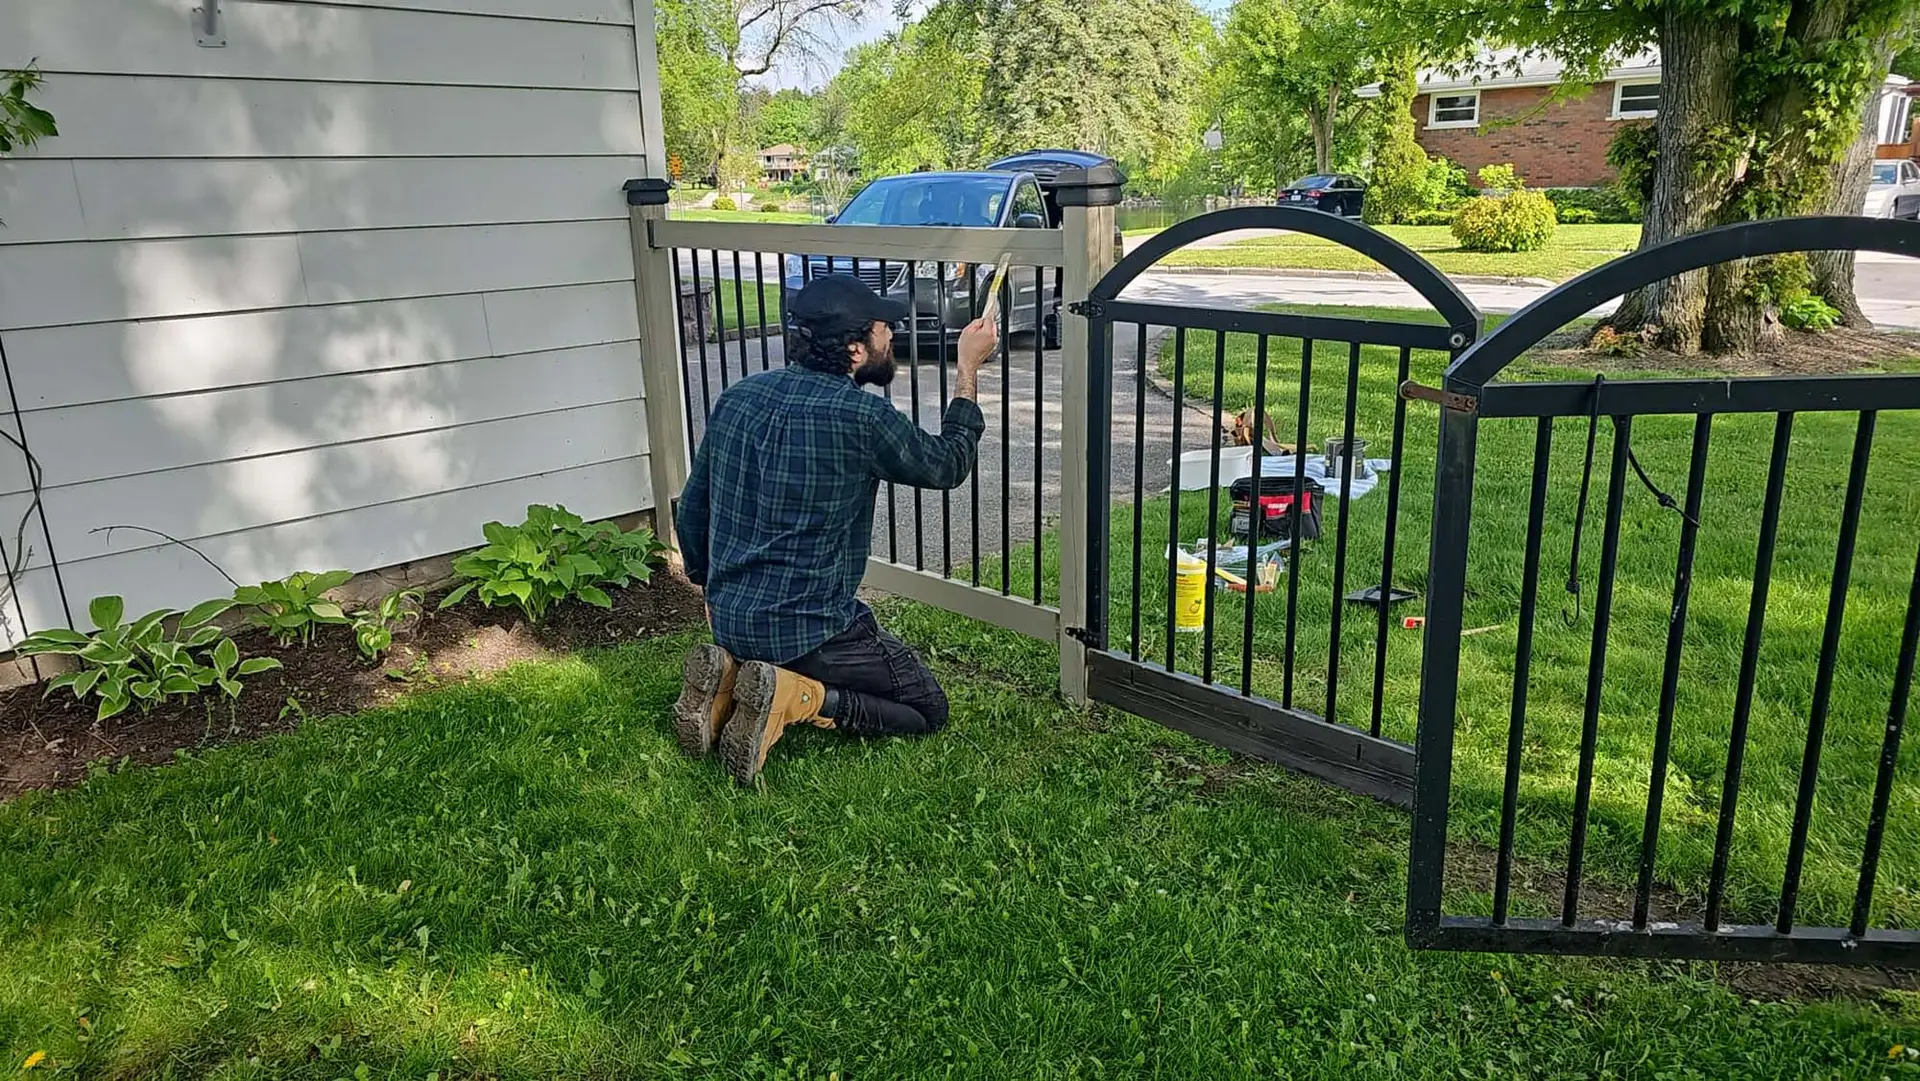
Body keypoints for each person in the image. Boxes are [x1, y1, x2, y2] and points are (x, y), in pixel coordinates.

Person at [672, 274, 998, 783]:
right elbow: (946, 465)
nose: (891, 336)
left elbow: (692, 506)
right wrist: (967, 368)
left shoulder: (739, 397)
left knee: (855, 635)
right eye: (883, 328)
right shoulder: (861, 416)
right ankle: (796, 697)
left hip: (730, 619)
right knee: (926, 709)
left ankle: (733, 677)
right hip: (810, 629)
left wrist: (706, 585)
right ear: (854, 348)